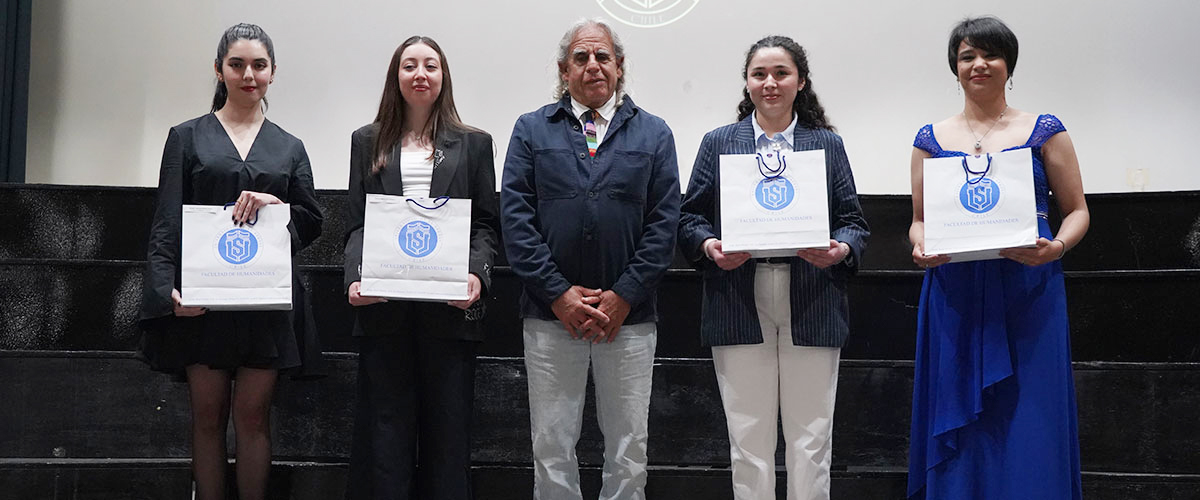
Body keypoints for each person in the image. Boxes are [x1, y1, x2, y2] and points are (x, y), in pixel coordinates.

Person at [677, 36, 869, 500]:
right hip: (738, 296)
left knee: (811, 440)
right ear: (747, 82)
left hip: (813, 294)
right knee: (748, 441)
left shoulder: (825, 144)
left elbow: (854, 224)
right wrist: (709, 246)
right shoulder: (719, 142)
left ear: (800, 82)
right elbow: (689, 218)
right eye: (759, 74)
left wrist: (841, 250)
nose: (770, 83)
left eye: (781, 73)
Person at [138, 23, 324, 500]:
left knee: (254, 418)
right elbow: (165, 224)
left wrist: (274, 207)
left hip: (266, 303)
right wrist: (164, 292)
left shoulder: (290, 146)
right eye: (237, 64)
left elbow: (310, 222)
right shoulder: (186, 137)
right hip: (203, 303)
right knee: (207, 418)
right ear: (219, 70)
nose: (248, 75)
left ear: (273, 73)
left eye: (258, 65)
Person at [906, 16, 1089, 500]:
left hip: (1029, 287)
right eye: (967, 56)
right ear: (955, 67)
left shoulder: (1045, 130)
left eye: (990, 54)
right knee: (959, 416)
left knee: (1032, 412)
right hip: (955, 291)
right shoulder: (930, 138)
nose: (979, 64)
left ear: (1009, 64)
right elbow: (919, 219)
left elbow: (1077, 211)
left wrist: (1058, 248)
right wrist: (919, 244)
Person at [500, 18, 680, 500]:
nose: (593, 66)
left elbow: (664, 226)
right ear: (564, 71)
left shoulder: (655, 134)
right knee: (552, 443)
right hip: (549, 315)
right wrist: (559, 295)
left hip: (631, 317)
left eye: (603, 57)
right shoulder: (531, 130)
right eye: (581, 58)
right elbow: (516, 223)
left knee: (628, 446)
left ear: (620, 67)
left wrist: (623, 296)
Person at [341, 36, 498, 500]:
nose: (420, 74)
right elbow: (356, 225)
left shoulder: (473, 144)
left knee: (448, 436)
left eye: (430, 65)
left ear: (443, 76)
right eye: (410, 65)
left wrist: (477, 275)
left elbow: (486, 225)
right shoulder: (367, 141)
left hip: (448, 309)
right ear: (397, 76)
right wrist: (354, 276)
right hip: (384, 308)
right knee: (384, 434)